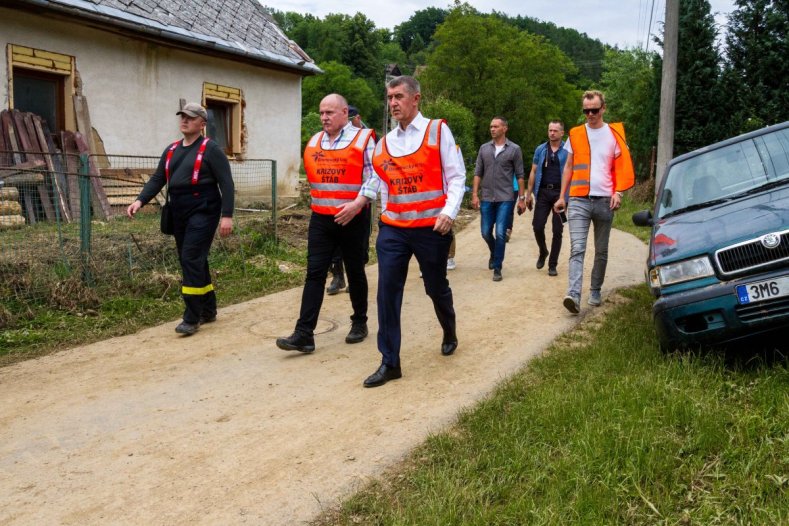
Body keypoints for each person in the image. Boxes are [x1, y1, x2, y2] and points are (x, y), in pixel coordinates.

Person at [336, 75, 466, 388]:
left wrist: (448, 213)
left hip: (431, 228)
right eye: (389, 98)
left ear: (415, 99)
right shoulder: (384, 143)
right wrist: (358, 203)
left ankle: (449, 329)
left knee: (436, 287)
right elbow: (376, 181)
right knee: (387, 293)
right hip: (393, 228)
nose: (393, 103)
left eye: (398, 96)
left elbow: (457, 176)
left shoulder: (437, 131)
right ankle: (389, 362)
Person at [275, 94, 376, 352]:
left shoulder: (363, 139)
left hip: (353, 217)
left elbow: (374, 177)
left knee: (355, 271)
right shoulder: (315, 141)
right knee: (314, 274)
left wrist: (357, 204)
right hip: (321, 218)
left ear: (345, 112)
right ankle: (304, 333)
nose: (324, 117)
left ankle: (359, 322)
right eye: (321, 113)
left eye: (329, 112)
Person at [127, 102, 234, 335]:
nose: (184, 120)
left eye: (190, 117)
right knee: (194, 259)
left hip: (204, 209)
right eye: (182, 116)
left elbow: (226, 183)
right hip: (179, 210)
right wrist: (140, 200)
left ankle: (192, 317)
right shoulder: (172, 149)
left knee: (190, 257)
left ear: (202, 124)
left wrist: (227, 216)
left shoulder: (211, 149)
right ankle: (208, 309)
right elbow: (157, 178)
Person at [553, 90, 634, 314]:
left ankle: (595, 289)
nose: (590, 114)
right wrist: (562, 196)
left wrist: (619, 192)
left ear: (603, 109)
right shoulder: (575, 134)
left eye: (594, 110)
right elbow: (568, 167)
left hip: (605, 200)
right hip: (578, 199)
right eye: (586, 111)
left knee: (601, 250)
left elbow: (621, 167)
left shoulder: (614, 134)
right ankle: (574, 295)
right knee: (577, 248)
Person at [471, 117, 526, 281]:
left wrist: (522, 198)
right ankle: (494, 253)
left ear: (505, 128)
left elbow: (520, 175)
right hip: (487, 196)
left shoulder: (514, 149)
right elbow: (477, 173)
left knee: (501, 233)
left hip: (506, 197)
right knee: (486, 232)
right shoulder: (484, 149)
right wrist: (474, 194)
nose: (492, 129)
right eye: (491, 126)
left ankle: (497, 267)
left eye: (495, 126)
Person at [525, 120, 569, 277]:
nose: (552, 133)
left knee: (558, 230)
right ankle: (543, 251)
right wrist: (528, 194)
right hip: (543, 192)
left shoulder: (568, 150)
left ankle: (552, 264)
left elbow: (571, 172)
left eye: (555, 130)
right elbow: (533, 171)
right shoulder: (541, 149)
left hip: (560, 194)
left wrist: (566, 196)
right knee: (537, 226)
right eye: (550, 130)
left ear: (562, 133)